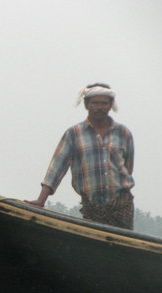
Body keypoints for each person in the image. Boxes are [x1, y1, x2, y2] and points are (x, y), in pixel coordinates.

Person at [27, 83, 135, 229]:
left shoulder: (123, 133)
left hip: (122, 207)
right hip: (92, 207)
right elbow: (56, 168)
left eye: (104, 103)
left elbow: (128, 168)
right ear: (86, 104)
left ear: (110, 105)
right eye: (95, 103)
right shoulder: (74, 134)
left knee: (120, 247)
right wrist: (41, 200)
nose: (99, 107)